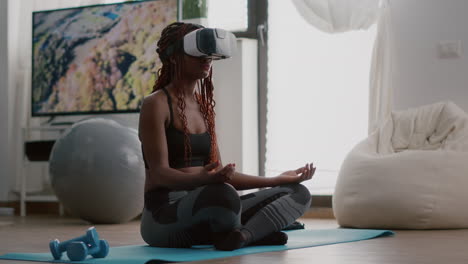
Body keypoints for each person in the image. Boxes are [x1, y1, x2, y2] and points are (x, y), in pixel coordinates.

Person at [138, 22, 316, 251]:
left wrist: (278, 179)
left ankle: (243, 235)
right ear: (173, 57)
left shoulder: (203, 108)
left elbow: (220, 174)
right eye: (198, 52)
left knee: (298, 193)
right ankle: (255, 230)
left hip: (211, 205)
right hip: (164, 218)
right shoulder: (156, 104)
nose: (207, 58)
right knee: (223, 195)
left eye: (210, 53)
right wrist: (205, 179)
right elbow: (160, 175)